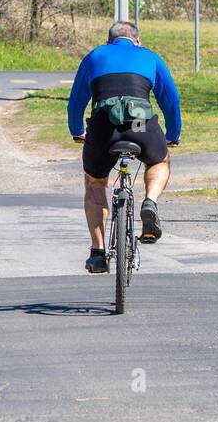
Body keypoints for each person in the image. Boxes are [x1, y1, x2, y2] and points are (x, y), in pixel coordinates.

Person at [68, 20, 181, 274]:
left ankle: (97, 253)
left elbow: (76, 100)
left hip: (103, 126)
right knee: (160, 160)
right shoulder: (149, 57)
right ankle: (150, 201)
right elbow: (170, 99)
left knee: (95, 183)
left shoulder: (95, 55)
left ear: (108, 41)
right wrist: (172, 134)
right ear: (137, 41)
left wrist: (77, 130)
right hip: (140, 124)